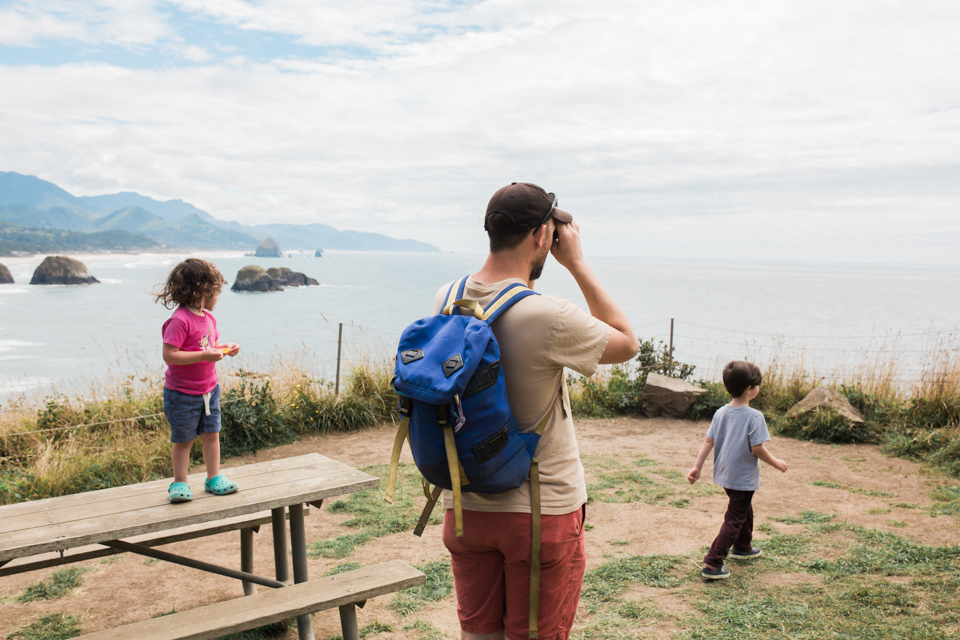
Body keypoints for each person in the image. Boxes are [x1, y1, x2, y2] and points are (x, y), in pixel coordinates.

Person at [434, 182, 638, 640]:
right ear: (543, 236)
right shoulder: (546, 315)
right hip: (539, 511)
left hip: (465, 507)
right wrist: (577, 263)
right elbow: (626, 343)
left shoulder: (446, 299)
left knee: (478, 635)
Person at [687, 360, 789, 580]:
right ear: (749, 389)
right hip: (742, 476)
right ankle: (713, 562)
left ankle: (743, 546)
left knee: (742, 508)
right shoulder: (754, 416)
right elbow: (757, 448)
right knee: (735, 517)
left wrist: (698, 466)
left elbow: (708, 440)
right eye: (757, 384)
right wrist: (776, 462)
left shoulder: (721, 413)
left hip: (725, 474)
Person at [154, 258, 240, 503]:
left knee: (212, 435)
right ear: (200, 290)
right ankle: (179, 482)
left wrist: (225, 348)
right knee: (183, 440)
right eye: (215, 292)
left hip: (209, 390)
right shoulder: (179, 320)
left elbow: (209, 346)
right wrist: (205, 354)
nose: (216, 298)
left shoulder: (208, 318)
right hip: (182, 394)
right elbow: (170, 354)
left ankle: (213, 477)